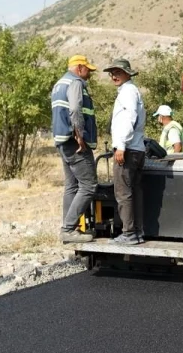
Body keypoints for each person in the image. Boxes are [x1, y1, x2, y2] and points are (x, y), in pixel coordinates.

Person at [51, 54, 98, 244]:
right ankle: (69, 229)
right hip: (75, 142)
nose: (90, 74)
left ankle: (68, 228)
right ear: (79, 68)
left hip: (62, 141)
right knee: (89, 185)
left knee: (71, 186)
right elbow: (75, 109)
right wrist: (79, 135)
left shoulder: (58, 84)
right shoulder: (75, 83)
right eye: (88, 69)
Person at [105, 58, 146, 245]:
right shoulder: (131, 91)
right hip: (136, 148)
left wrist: (121, 145)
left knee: (123, 193)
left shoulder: (128, 92)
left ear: (128, 73)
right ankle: (137, 232)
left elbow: (129, 118)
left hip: (127, 149)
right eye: (112, 73)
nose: (114, 76)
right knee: (134, 192)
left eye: (118, 72)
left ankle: (129, 234)